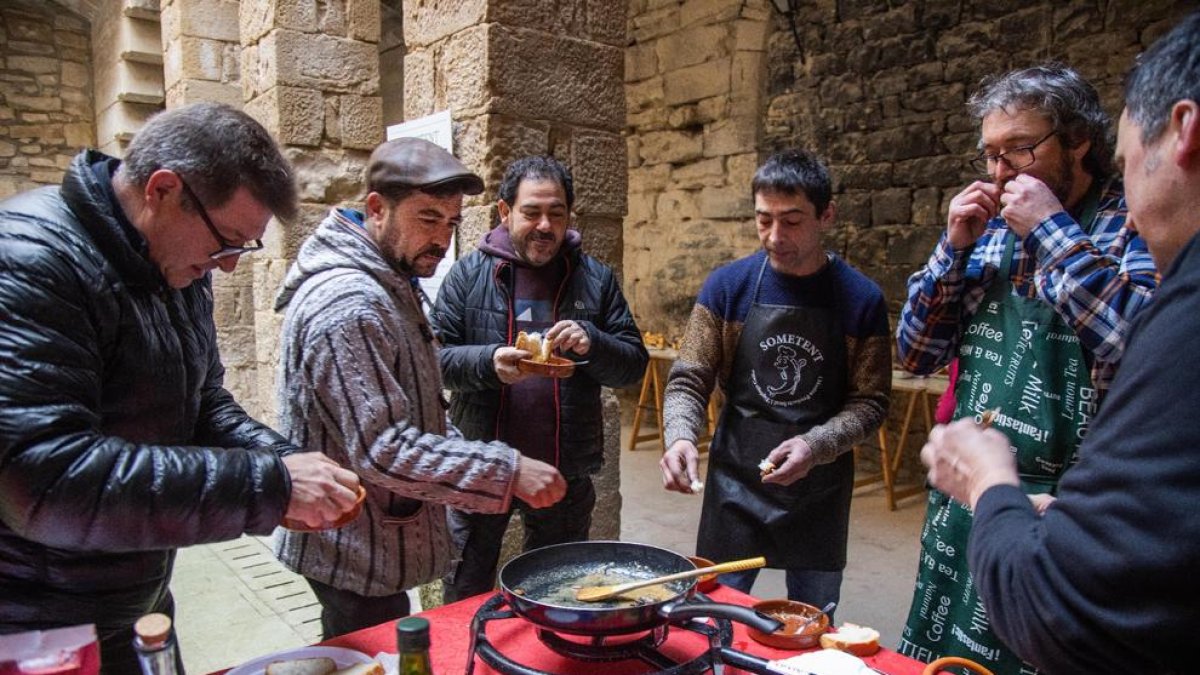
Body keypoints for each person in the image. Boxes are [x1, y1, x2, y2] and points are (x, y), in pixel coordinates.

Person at [0, 102, 360, 674]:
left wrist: (286, 461)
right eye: (226, 242)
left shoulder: (170, 259)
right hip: (38, 626)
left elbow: (202, 404)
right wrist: (267, 486)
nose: (229, 268)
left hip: (132, 598)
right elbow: (45, 481)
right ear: (163, 190)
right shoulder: (29, 258)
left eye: (243, 248)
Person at [919, 15, 1200, 674]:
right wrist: (951, 248)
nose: (998, 170)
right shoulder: (988, 233)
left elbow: (1141, 347)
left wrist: (1048, 227)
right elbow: (920, 350)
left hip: (1074, 510)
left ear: (1077, 143)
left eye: (1018, 149)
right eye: (989, 153)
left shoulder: (1127, 223)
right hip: (975, 495)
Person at [273, 139, 568, 638]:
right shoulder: (351, 303)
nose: (441, 239)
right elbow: (382, 448)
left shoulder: (391, 281)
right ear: (375, 209)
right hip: (350, 545)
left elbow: (418, 407)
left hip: (373, 538)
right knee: (372, 653)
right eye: (427, 219)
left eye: (451, 224)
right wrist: (507, 470)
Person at [659, 150, 891, 612]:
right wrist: (681, 435)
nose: (775, 237)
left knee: (813, 620)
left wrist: (816, 445)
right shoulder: (729, 287)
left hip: (818, 489)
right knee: (713, 613)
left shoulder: (861, 299)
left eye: (792, 221)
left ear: (826, 215)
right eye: (764, 220)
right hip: (736, 485)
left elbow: (870, 402)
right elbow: (689, 378)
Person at [430, 156, 648, 602]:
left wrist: (594, 342)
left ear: (569, 215)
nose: (545, 225)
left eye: (557, 213)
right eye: (532, 212)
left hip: (561, 472)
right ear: (505, 211)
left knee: (557, 591)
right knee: (464, 589)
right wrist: (489, 362)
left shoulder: (595, 280)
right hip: (482, 468)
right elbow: (433, 361)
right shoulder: (469, 276)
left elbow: (633, 365)